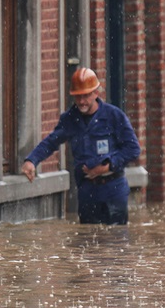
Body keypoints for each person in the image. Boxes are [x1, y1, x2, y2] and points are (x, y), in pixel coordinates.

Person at [20, 67, 141, 225]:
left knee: (116, 240)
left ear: (96, 93)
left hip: (114, 189)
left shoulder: (114, 116)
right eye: (78, 97)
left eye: (86, 96)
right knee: (87, 241)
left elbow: (133, 149)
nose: (82, 102)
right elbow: (51, 142)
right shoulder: (70, 119)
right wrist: (31, 160)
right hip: (87, 191)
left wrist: (107, 166)